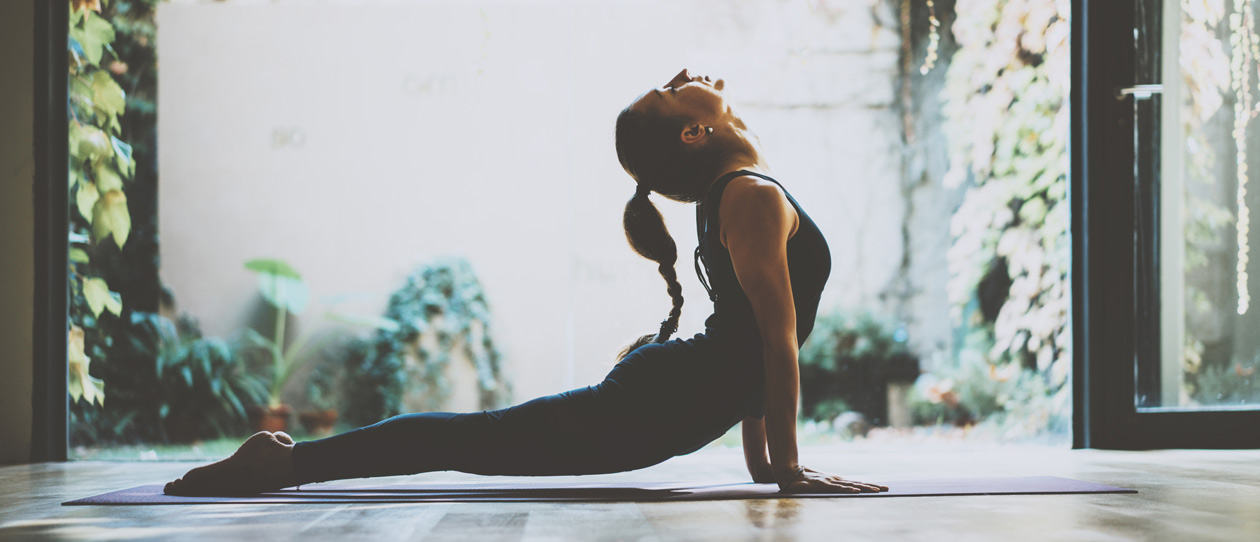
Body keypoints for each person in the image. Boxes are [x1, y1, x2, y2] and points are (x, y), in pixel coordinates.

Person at [164, 69, 887, 496]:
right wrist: (785, 467)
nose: (690, 77)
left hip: (672, 399)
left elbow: (753, 345)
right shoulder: (749, 195)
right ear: (694, 132)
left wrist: (766, 465)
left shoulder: (735, 193)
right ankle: (286, 461)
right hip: (662, 401)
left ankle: (287, 462)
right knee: (475, 439)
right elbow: (772, 339)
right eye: (672, 89)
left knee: (479, 440)